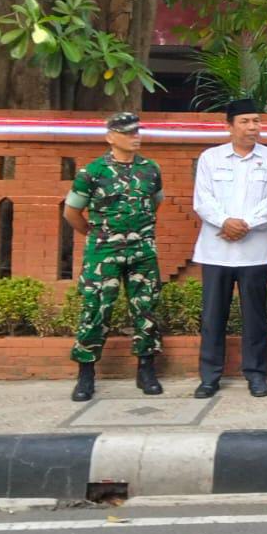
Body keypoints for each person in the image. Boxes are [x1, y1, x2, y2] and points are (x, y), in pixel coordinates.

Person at [64, 112, 165, 402]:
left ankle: (146, 370)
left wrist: (134, 231)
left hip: (142, 251)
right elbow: (71, 212)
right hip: (104, 252)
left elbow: (155, 204)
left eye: (137, 131)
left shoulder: (150, 169)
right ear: (110, 136)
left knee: (145, 309)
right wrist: (97, 236)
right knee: (96, 310)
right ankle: (86, 374)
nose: (136, 136)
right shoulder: (92, 172)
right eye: (128, 132)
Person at [191, 98, 267, 399]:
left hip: (255, 250)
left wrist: (244, 224)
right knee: (212, 316)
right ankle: (209, 376)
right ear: (229, 125)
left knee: (255, 315)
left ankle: (256, 374)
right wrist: (225, 221)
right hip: (216, 250)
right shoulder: (210, 158)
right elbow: (202, 199)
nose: (252, 127)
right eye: (245, 121)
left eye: (256, 121)